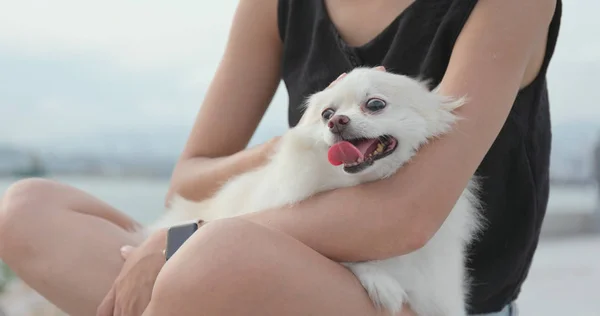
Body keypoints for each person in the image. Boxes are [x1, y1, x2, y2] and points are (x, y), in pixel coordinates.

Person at [0, 0, 561, 315]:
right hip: (268, 275)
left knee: (211, 263)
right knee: (26, 210)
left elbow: (406, 219)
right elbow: (188, 182)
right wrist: (293, 141)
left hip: (409, 300)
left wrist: (183, 243)